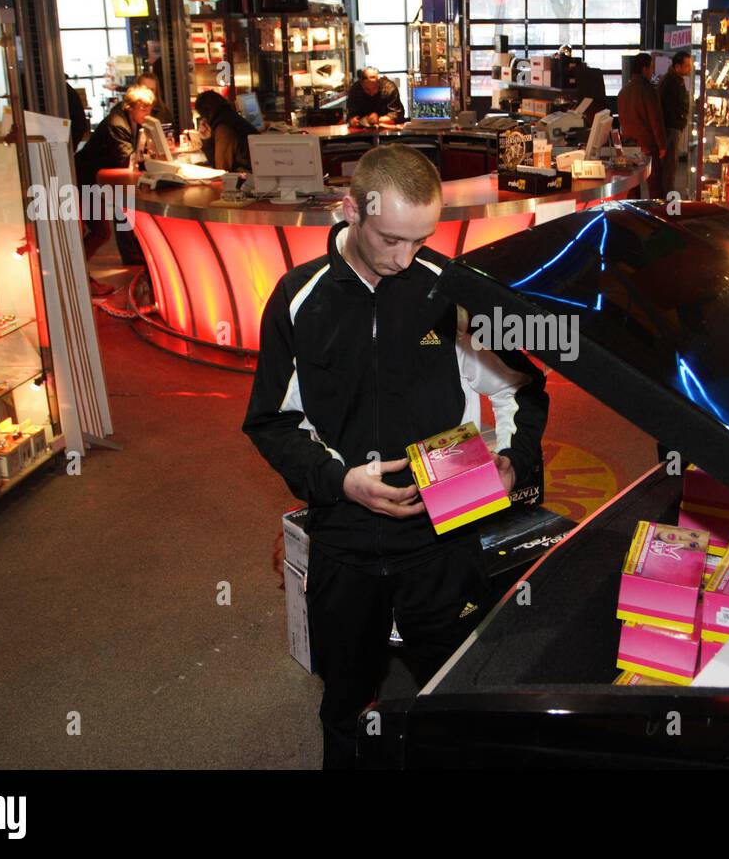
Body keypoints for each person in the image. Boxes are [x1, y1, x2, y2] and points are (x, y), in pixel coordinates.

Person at [243, 144, 548, 770]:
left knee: (454, 690)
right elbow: (271, 421)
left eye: (421, 240)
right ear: (352, 209)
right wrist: (338, 480)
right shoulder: (299, 298)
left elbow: (522, 387)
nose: (405, 259)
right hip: (346, 532)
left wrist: (515, 461)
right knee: (347, 699)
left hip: (450, 518)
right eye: (390, 240)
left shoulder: (451, 291)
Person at [74, 84, 155, 294]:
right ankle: (76, 274)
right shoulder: (117, 124)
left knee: (100, 231)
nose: (148, 114)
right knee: (100, 232)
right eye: (144, 109)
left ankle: (77, 273)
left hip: (91, 180)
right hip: (85, 179)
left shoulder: (126, 120)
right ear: (131, 107)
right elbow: (126, 156)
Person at [616, 53, 667, 198]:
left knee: (632, 186)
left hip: (629, 145)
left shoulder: (623, 91)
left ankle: (633, 216)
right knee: (655, 185)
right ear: (644, 68)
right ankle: (657, 215)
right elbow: (655, 120)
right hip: (648, 145)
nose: (652, 72)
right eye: (651, 68)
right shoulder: (648, 90)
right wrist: (662, 145)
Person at [194, 89, 259, 173]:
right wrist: (208, 140)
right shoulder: (230, 117)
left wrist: (207, 144)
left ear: (206, 114)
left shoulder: (223, 128)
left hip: (246, 179)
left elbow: (222, 169)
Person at [658, 51, 692, 197]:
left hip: (673, 126)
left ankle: (667, 197)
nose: (690, 68)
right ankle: (669, 200)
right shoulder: (671, 82)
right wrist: (680, 120)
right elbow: (670, 107)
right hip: (671, 127)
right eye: (687, 66)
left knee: (671, 165)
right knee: (670, 165)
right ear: (677, 67)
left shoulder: (673, 80)